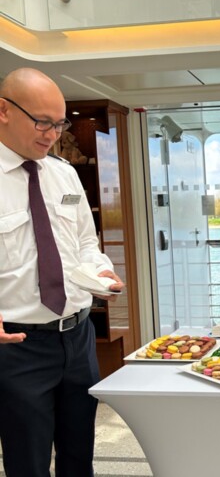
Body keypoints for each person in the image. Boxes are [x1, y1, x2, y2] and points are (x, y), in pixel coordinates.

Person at [0, 68, 124, 477]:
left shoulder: (64, 174)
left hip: (78, 338)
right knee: (28, 463)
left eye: (60, 124)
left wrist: (102, 273)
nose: (52, 134)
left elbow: (85, 245)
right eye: (42, 122)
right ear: (3, 110)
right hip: (18, 346)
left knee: (79, 457)